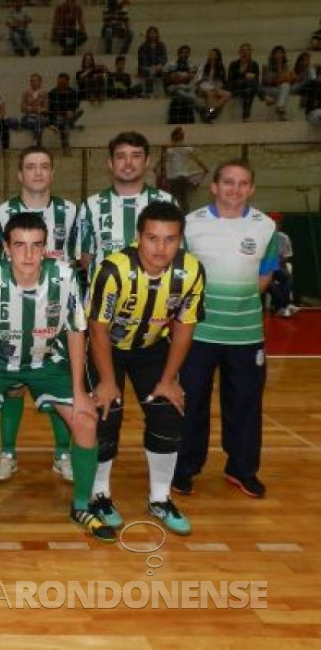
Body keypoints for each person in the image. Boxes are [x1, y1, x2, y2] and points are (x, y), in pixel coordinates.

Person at [0, 212, 114, 542]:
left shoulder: (63, 277)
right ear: (6, 248)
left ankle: (81, 504)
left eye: (36, 246)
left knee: (86, 419)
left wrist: (78, 390)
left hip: (47, 360)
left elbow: (77, 330)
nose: (28, 255)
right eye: (20, 246)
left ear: (46, 248)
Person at [86, 201, 205, 536]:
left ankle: (160, 498)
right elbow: (97, 328)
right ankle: (99, 495)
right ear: (138, 237)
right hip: (106, 347)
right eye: (152, 238)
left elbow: (184, 326)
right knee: (106, 413)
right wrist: (107, 381)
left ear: (180, 240)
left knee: (168, 413)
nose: (160, 247)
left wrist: (168, 380)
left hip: (151, 347)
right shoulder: (114, 270)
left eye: (170, 239)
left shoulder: (191, 271)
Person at [174, 160, 279, 500]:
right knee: (191, 404)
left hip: (246, 335)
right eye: (228, 182)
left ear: (251, 189)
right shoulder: (190, 225)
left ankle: (242, 469)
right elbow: (182, 275)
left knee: (245, 403)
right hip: (198, 334)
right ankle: (185, 468)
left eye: (242, 183)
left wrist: (239, 301)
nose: (235, 189)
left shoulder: (265, 227)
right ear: (214, 186)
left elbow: (265, 275)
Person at [0, 146, 79, 483]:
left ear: (52, 173)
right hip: (9, 311)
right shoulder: (1, 212)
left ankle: (63, 454)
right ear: (20, 175)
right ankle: (7, 452)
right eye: (30, 167)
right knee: (12, 384)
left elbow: (78, 258)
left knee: (61, 386)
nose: (38, 173)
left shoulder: (71, 211)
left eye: (44, 166)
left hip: (53, 312)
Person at [76, 131, 176, 282]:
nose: (128, 162)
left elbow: (176, 252)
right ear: (110, 162)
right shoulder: (91, 206)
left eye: (136, 156)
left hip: (154, 299)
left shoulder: (168, 202)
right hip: (104, 301)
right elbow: (85, 258)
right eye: (121, 156)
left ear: (147, 161)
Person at [158, 127, 207, 213]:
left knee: (174, 198)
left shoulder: (170, 150)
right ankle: (184, 215)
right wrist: (205, 169)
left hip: (173, 178)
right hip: (180, 177)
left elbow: (160, 164)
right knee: (182, 198)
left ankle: (175, 214)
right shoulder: (184, 149)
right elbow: (199, 161)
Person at [47, 72, 81, 155]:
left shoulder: (72, 92)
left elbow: (75, 105)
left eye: (63, 82)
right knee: (64, 125)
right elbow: (52, 108)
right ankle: (66, 146)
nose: (61, 83)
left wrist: (71, 111)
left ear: (67, 82)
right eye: (60, 81)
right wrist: (64, 113)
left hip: (70, 116)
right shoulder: (52, 93)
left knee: (74, 115)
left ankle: (59, 126)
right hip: (58, 116)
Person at [195, 48, 231, 122]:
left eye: (213, 54)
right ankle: (210, 113)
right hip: (203, 88)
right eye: (209, 54)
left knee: (227, 94)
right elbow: (198, 80)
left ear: (217, 56)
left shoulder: (220, 67)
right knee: (211, 94)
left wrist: (217, 88)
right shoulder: (203, 66)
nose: (210, 55)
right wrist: (210, 88)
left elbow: (222, 81)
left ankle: (209, 111)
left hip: (216, 88)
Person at [227, 43, 260, 122]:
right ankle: (262, 95)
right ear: (239, 52)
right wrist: (244, 75)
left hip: (247, 88)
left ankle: (245, 116)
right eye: (242, 51)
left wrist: (251, 77)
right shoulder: (234, 64)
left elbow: (256, 80)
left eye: (247, 50)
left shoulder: (254, 65)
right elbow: (230, 79)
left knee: (249, 90)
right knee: (248, 84)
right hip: (235, 87)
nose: (244, 52)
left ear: (250, 52)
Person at [261, 45, 295, 121]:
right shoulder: (267, 66)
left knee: (286, 85)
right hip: (269, 88)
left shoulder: (287, 66)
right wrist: (281, 77)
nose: (279, 55)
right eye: (276, 53)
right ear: (273, 55)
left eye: (280, 53)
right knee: (284, 87)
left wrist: (282, 76)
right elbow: (268, 81)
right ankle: (280, 109)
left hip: (282, 87)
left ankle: (280, 107)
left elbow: (291, 79)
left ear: (283, 55)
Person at [137, 26, 167, 97]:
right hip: (145, 67)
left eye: (154, 33)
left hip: (157, 67)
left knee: (166, 73)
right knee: (149, 72)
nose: (152, 35)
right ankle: (149, 93)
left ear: (157, 34)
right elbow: (142, 60)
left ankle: (167, 92)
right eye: (151, 33)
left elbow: (164, 57)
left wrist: (159, 65)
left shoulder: (161, 46)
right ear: (148, 35)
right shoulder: (143, 47)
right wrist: (151, 67)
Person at [20, 73, 49, 146]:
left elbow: (46, 108)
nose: (33, 83)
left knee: (39, 121)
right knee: (37, 123)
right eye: (31, 81)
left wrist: (39, 109)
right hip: (29, 117)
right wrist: (33, 109)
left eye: (35, 81)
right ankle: (38, 142)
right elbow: (22, 108)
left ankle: (35, 142)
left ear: (40, 82)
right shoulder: (26, 93)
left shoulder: (44, 93)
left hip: (40, 116)